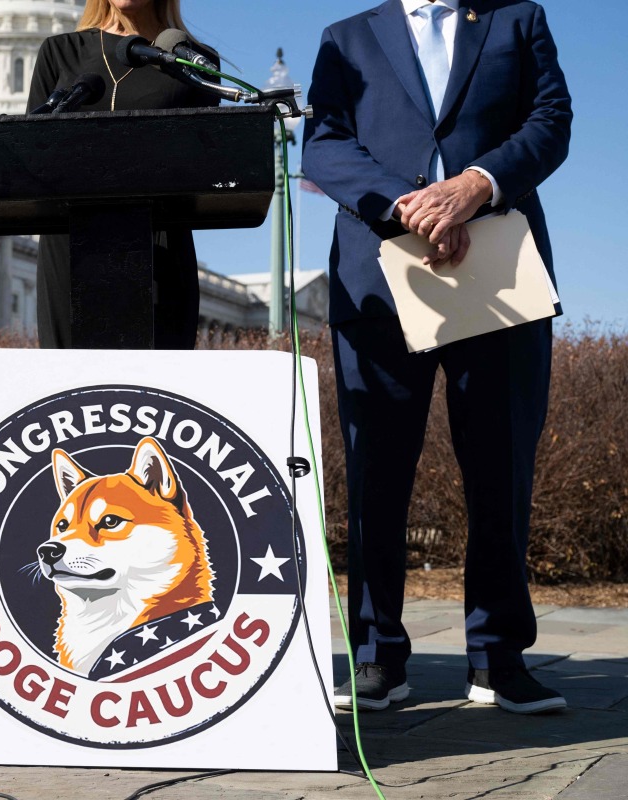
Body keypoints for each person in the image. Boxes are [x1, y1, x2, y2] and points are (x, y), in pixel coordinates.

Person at [302, 0, 572, 714]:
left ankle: (498, 657)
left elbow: (551, 122)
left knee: (503, 465)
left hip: (501, 269)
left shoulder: (519, 20)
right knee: (376, 472)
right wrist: (411, 205)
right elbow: (323, 144)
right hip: (381, 276)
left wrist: (474, 186)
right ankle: (377, 657)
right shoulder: (346, 37)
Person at [26, 0, 218, 349]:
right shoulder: (60, 51)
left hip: (159, 247)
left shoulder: (194, 59)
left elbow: (199, 166)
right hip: (70, 248)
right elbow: (33, 155)